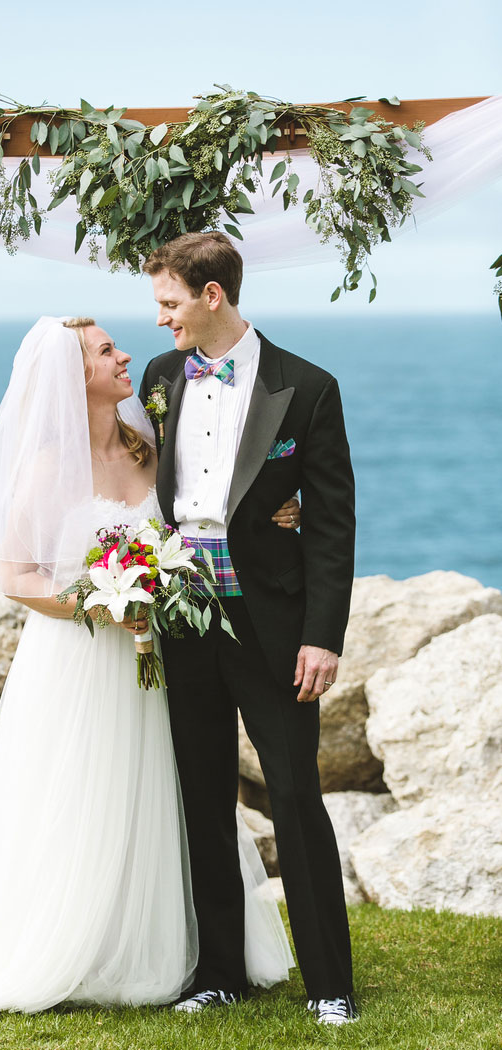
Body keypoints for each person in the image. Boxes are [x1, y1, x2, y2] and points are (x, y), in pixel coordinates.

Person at [0, 315, 300, 1014]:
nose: (126, 353)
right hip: (79, 660)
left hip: (158, 657)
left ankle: (176, 945)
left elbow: (208, 505)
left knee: (164, 795)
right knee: (83, 795)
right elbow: (13, 576)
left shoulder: (148, 445)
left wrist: (280, 508)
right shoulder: (47, 464)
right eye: (107, 351)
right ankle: (80, 947)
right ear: (74, 377)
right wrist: (100, 607)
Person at [139, 232, 358, 1026]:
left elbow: (332, 521)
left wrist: (323, 635)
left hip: (272, 622)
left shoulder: (307, 388)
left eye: (169, 304)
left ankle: (331, 986)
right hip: (182, 618)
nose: (161, 321)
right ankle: (219, 972)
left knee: (297, 796)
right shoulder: (163, 378)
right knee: (201, 797)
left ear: (212, 297)